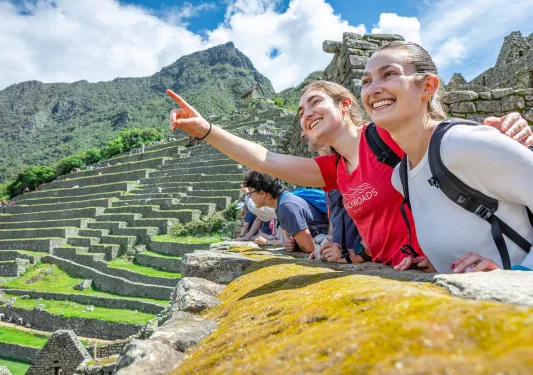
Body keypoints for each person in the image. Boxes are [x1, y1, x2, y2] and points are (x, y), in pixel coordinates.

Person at [167, 81, 531, 270]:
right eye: (300, 111)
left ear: (344, 105)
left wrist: (506, 128)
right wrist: (205, 130)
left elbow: (448, 137)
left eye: (315, 102)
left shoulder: (387, 137)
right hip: (401, 271)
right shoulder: (335, 170)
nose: (306, 114)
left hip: (465, 263)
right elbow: (266, 160)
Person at [359, 41, 533, 273]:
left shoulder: (461, 144)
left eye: (389, 74)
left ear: (428, 86)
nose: (373, 89)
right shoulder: (401, 178)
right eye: (366, 81)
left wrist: (519, 275)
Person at [242, 171, 329, 254]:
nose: (250, 197)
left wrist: (299, 245)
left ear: (262, 193)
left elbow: (309, 247)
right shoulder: (281, 203)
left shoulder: (286, 206)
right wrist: (291, 243)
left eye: (250, 193)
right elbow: (292, 240)